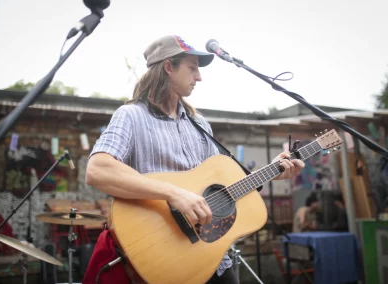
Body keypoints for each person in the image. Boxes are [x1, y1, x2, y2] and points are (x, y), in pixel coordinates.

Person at [84, 35, 306, 284]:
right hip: (165, 257)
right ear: (169, 67)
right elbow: (98, 170)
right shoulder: (131, 116)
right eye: (192, 68)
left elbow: (219, 187)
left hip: (212, 257)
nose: (199, 77)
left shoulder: (199, 124)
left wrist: (274, 170)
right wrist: (173, 193)